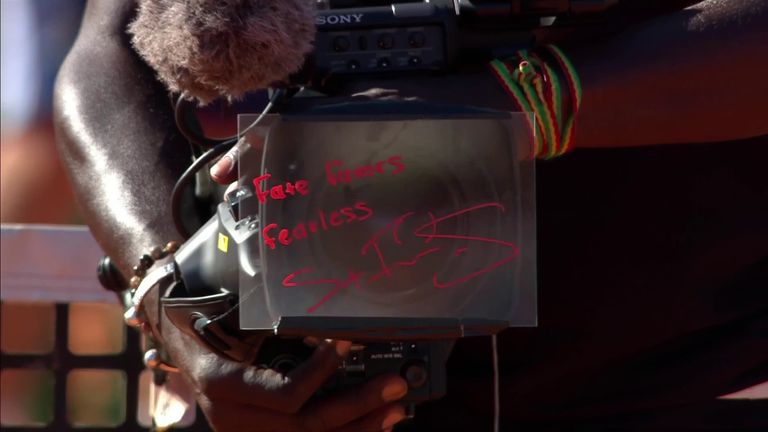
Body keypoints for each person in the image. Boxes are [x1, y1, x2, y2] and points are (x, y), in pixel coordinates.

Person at [54, 0, 768, 430]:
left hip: (688, 382)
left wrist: (517, 108)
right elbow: (109, 48)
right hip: (313, 397)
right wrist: (181, 314)